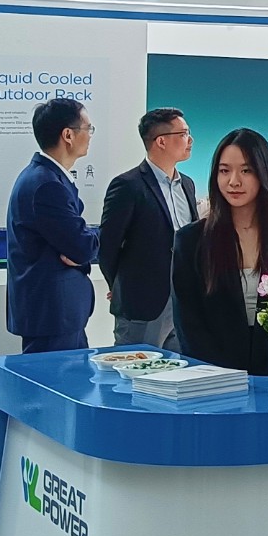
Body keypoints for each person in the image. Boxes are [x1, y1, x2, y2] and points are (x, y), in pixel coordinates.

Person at [171, 129, 268, 375]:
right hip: (213, 376)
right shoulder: (191, 241)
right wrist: (221, 377)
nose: (234, 181)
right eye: (224, 171)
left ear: (264, 173)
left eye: (246, 171)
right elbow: (188, 324)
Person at [98, 108, 197, 353]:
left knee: (178, 369)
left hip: (183, 301)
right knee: (136, 367)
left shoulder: (187, 184)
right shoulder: (128, 185)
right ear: (161, 141)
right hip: (142, 303)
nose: (190, 140)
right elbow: (108, 246)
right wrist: (120, 286)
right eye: (183, 133)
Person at [7, 98, 101, 353]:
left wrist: (82, 246)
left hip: (56, 313)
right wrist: (97, 238)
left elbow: (78, 245)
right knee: (56, 376)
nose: (90, 135)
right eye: (88, 128)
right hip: (53, 313)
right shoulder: (47, 184)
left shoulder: (44, 176)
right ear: (68, 135)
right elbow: (82, 247)